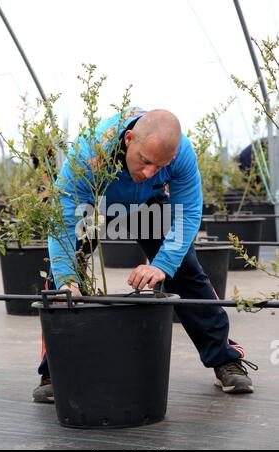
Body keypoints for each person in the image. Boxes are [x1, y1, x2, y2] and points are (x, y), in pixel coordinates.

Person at [33, 107, 258, 403]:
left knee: (186, 270)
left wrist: (163, 264)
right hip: (97, 205)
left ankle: (224, 358)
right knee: (61, 282)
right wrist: (66, 278)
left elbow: (188, 213)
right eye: (145, 162)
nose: (149, 172)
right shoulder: (89, 151)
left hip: (149, 206)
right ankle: (54, 372)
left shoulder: (182, 153)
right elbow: (61, 219)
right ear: (128, 139)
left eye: (159, 166)